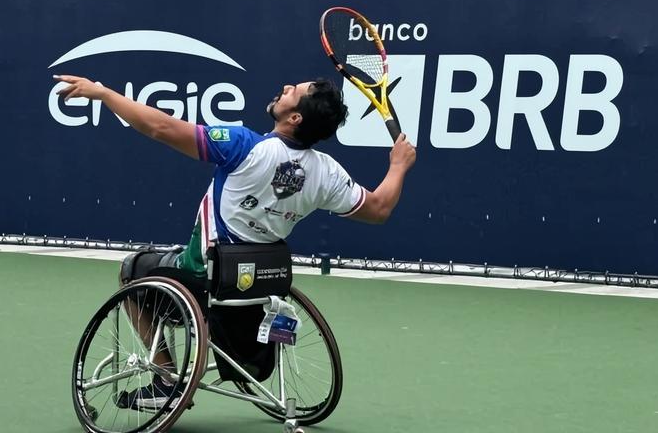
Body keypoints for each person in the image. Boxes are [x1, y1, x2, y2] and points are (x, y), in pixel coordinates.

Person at [54, 74, 416, 408]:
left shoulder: (244, 146)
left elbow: (161, 127)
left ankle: (166, 382)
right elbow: (380, 208)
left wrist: (101, 93)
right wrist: (397, 166)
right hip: (262, 285)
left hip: (206, 277)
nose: (286, 87)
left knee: (133, 269)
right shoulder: (327, 172)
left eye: (295, 92)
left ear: (295, 119)